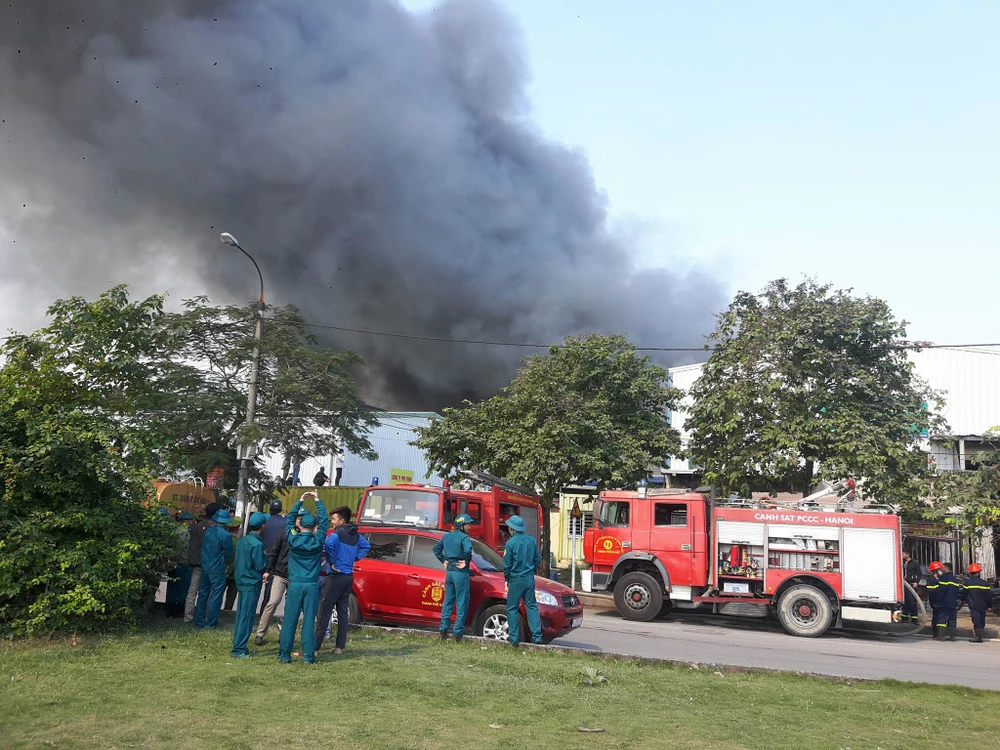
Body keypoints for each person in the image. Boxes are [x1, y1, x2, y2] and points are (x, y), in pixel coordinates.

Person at [279, 492, 329, 663]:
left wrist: (300, 500)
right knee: (308, 620)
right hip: (311, 584)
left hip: (295, 584)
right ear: (315, 527)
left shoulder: (293, 540)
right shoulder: (318, 540)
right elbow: (324, 521)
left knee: (289, 620)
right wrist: (317, 500)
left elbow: (289, 521)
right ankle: (308, 655)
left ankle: (284, 655)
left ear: (299, 525)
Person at [316, 506, 371, 653]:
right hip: (348, 577)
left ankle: (315, 648)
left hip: (335, 575)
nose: (332, 522)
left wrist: (331, 561)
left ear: (342, 520)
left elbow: (329, 544)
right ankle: (339, 647)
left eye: (334, 519)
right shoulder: (355, 534)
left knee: (324, 610)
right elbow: (366, 545)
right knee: (342, 612)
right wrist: (356, 557)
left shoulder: (338, 533)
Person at [255, 509, 298, 646]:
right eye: (297, 518)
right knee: (272, 602)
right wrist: (268, 570)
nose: (298, 521)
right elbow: (274, 552)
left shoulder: (303, 536)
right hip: (280, 573)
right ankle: (260, 633)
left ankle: (284, 635)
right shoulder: (283, 533)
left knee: (290, 607)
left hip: (295, 576)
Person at [502, 514, 543, 647]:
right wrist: (531, 570)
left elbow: (507, 565)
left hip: (516, 579)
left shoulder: (510, 543)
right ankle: (537, 636)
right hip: (529, 578)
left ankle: (514, 638)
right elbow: (537, 560)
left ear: (512, 529)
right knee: (531, 606)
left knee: (512, 608)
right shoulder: (531, 541)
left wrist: (507, 579)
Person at [231, 512, 268, 657]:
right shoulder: (257, 544)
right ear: (263, 526)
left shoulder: (242, 541)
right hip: (251, 582)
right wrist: (266, 558)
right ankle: (239, 648)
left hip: (241, 581)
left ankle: (239, 644)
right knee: (246, 617)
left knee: (241, 615)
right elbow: (260, 565)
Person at [434, 514, 474, 642]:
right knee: (462, 602)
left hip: (450, 572)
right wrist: (466, 562)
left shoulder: (447, 536)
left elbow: (436, 549)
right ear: (461, 526)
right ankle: (458, 632)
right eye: (468, 524)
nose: (470, 526)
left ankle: (443, 628)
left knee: (448, 601)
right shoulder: (465, 537)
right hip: (460, 573)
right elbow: (468, 551)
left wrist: (443, 560)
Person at [194, 508, 235, 628]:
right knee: (216, 595)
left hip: (205, 565)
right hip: (217, 567)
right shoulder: (226, 535)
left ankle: (199, 620)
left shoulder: (208, 531)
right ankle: (211, 622)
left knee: (203, 593)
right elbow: (229, 553)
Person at [184, 502, 220, 623]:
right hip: (209, 563)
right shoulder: (214, 529)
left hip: (196, 563)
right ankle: (206, 615)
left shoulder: (196, 527)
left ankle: (188, 616)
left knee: (192, 591)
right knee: (207, 592)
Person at [259, 500, 286, 615]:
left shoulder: (264, 521)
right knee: (269, 589)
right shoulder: (284, 522)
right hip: (275, 559)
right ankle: (263, 613)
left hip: (261, 556)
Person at [165, 511, 194, 618]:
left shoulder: (172, 531)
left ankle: (169, 611)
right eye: (190, 520)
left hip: (172, 562)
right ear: (186, 521)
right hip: (184, 563)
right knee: (183, 589)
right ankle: (180, 611)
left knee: (172, 588)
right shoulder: (188, 533)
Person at [925, 560, 960, 641]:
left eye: (942, 568)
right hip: (952, 603)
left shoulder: (944, 578)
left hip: (943, 602)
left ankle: (941, 636)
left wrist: (937, 601)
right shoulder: (954, 579)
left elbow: (941, 591)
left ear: (946, 568)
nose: (941, 569)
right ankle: (952, 637)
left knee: (942, 619)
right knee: (952, 620)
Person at [961, 563, 991, 643]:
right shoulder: (984, 583)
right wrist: (989, 605)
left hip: (973, 605)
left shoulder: (967, 583)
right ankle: (979, 635)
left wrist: (967, 601)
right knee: (981, 620)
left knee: (976, 620)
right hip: (983, 605)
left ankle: (978, 637)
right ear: (978, 572)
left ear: (970, 572)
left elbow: (964, 594)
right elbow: (989, 596)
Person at [901, 551, 922, 624]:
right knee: (905, 601)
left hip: (911, 583)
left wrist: (916, 582)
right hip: (903, 583)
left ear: (908, 554)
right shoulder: (902, 562)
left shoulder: (914, 563)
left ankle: (914, 618)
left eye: (903, 554)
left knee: (912, 601)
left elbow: (919, 574)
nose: (902, 555)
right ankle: (904, 617)